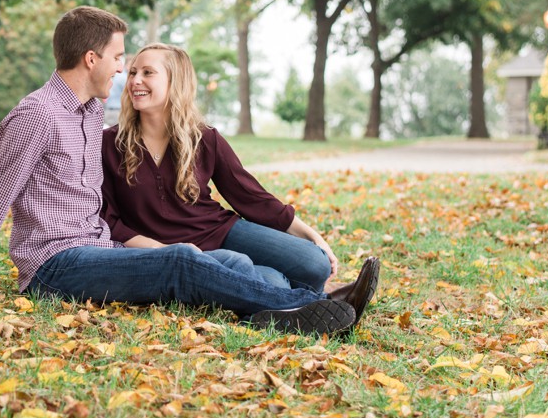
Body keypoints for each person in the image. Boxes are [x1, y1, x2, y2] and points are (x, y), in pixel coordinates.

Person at [0, 6, 366, 336]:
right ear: (91, 58)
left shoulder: (90, 113)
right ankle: (314, 306)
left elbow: (100, 206)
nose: (122, 71)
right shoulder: (37, 115)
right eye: (119, 59)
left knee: (232, 261)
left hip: (97, 247)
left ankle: (286, 310)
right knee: (181, 259)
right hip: (52, 265)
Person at [102, 43, 379, 327]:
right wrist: (164, 251)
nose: (135, 80)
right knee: (273, 282)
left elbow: (249, 195)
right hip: (173, 251)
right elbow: (110, 219)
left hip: (219, 230)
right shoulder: (110, 144)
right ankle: (318, 303)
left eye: (148, 73)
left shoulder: (204, 138)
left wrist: (312, 235)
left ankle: (309, 296)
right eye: (133, 72)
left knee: (315, 264)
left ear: (175, 82)